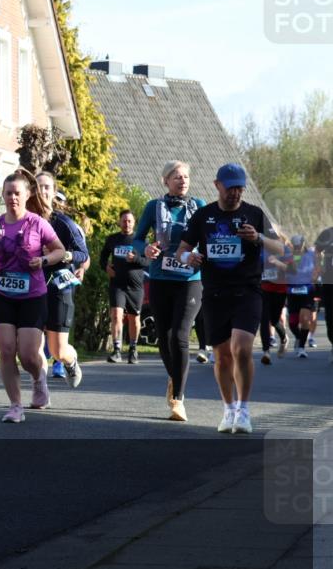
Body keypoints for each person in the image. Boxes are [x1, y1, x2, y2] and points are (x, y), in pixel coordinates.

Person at [177, 163, 282, 435]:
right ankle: (229, 409)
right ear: (217, 185)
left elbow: (280, 247)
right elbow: (181, 252)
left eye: (240, 187)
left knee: (242, 348)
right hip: (214, 293)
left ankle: (244, 410)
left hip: (247, 290)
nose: (236, 193)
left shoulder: (254, 214)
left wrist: (257, 237)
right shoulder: (203, 216)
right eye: (231, 187)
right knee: (222, 357)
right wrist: (191, 258)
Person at [0, 171, 67, 423]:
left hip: (33, 296)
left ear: (28, 195)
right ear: (3, 196)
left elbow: (60, 250)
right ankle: (15, 405)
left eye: (17, 193)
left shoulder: (38, 223)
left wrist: (44, 260)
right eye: (8, 193)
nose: (12, 198)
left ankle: (38, 378)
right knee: (6, 350)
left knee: (28, 355)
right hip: (3, 294)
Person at [133, 161, 206, 422]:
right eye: (177, 177)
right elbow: (137, 237)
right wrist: (146, 249)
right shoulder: (154, 207)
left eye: (186, 176)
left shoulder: (198, 205)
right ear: (165, 180)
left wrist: (200, 254)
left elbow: (208, 237)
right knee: (164, 337)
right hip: (161, 277)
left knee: (180, 335)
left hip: (190, 279)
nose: (182, 180)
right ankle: (174, 378)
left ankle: (179, 398)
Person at [35, 172, 88, 387]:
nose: (43, 191)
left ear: (54, 192)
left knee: (57, 350)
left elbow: (82, 254)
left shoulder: (63, 223)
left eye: (47, 187)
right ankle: (40, 390)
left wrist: (64, 255)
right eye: (38, 187)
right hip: (32, 287)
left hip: (59, 286)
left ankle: (70, 359)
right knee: (33, 345)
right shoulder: (25, 221)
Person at [100, 209, 149, 363]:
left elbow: (148, 262)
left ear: (134, 223)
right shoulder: (112, 239)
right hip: (117, 284)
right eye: (124, 220)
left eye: (129, 221)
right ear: (119, 222)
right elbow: (102, 258)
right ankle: (116, 350)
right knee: (116, 315)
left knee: (134, 318)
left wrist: (135, 259)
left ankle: (133, 349)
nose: (126, 223)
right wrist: (106, 267)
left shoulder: (141, 241)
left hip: (135, 286)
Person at [259, 235, 292, 365]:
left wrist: (277, 263)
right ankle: (266, 352)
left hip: (280, 289)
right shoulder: (261, 249)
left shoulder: (286, 251)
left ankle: (284, 338)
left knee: (274, 320)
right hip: (263, 288)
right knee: (264, 319)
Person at [284, 235, 317, 358]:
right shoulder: (288, 255)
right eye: (295, 245)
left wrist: (315, 275)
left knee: (305, 319)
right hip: (292, 291)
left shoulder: (311, 254)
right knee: (292, 323)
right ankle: (299, 337)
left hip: (307, 290)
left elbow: (319, 265)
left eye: (299, 244)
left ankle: (302, 348)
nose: (297, 247)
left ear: (303, 244)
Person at [314, 225, 333, 364]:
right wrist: (318, 267)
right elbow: (316, 251)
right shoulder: (327, 233)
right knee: (331, 316)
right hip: (329, 282)